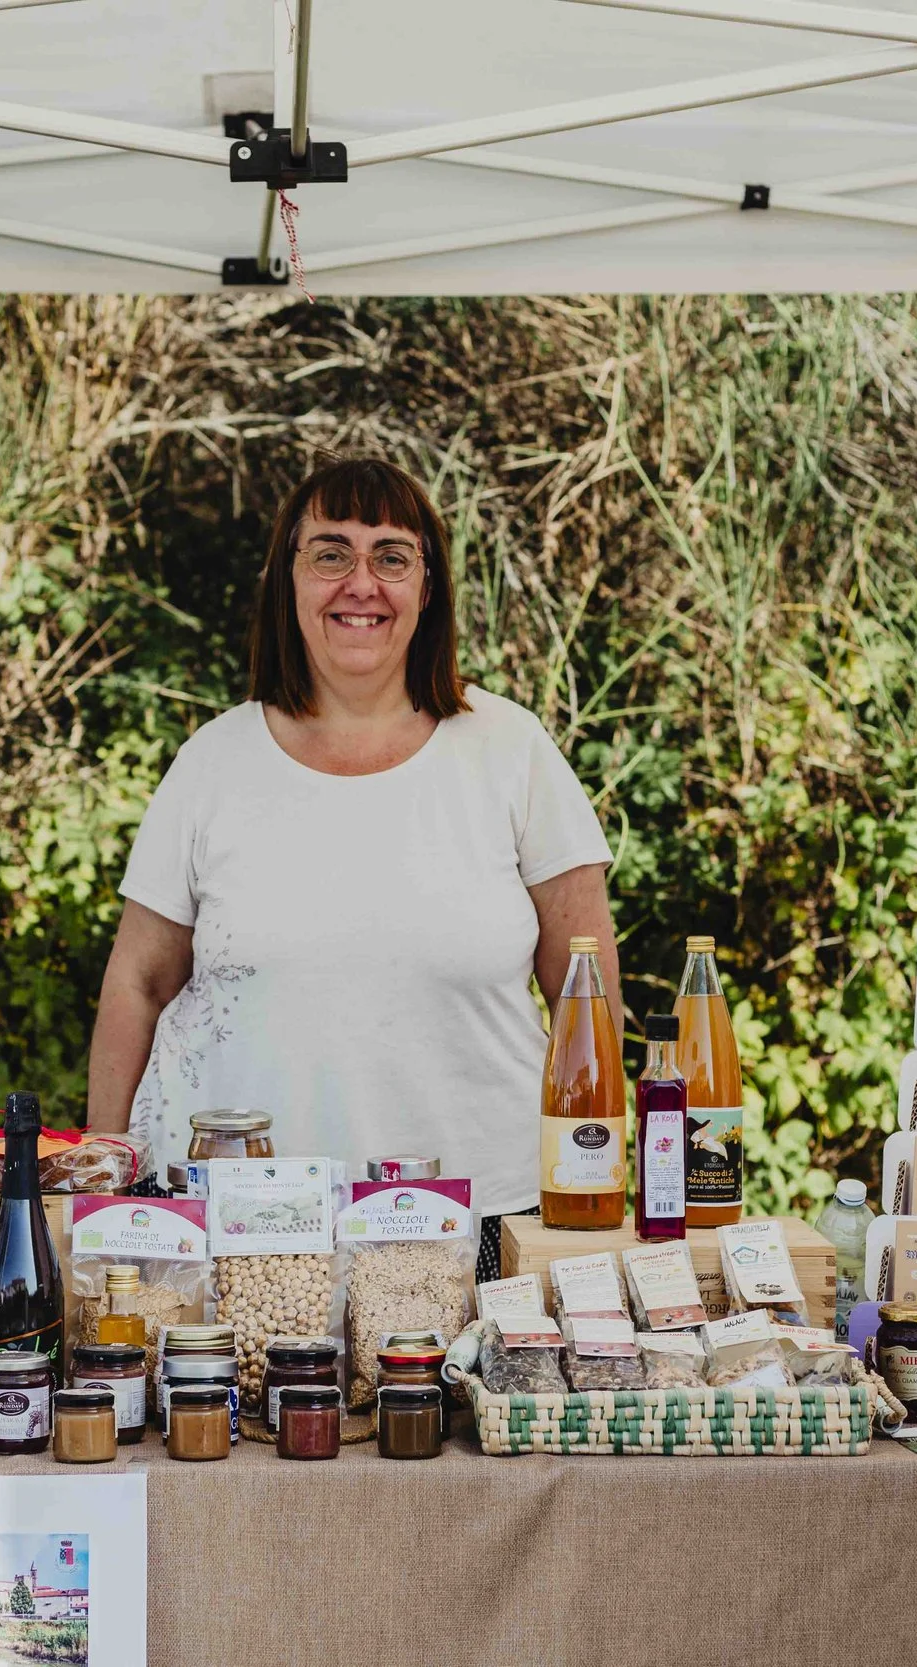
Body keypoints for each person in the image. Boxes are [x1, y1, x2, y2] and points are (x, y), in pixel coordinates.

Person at [84, 457, 620, 1238]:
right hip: (243, 1223)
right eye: (331, 553)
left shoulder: (511, 749)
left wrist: (600, 1179)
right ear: (288, 581)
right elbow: (136, 978)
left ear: (427, 587)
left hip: (480, 1218)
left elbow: (590, 994)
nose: (360, 583)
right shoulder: (213, 760)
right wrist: (109, 1184)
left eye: (392, 556)